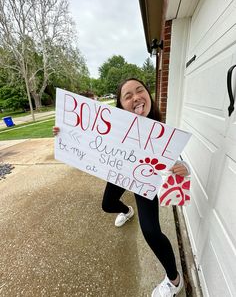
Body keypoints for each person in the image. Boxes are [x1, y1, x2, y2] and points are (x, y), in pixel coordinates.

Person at [53, 78, 190, 297]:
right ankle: (127, 211)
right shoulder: (114, 127)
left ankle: (174, 280)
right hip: (121, 173)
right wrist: (65, 134)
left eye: (139, 91)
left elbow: (178, 162)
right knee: (107, 205)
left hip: (146, 181)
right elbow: (86, 139)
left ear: (148, 94)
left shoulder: (161, 128)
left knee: (151, 232)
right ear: (121, 105)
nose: (135, 97)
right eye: (128, 96)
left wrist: (184, 168)